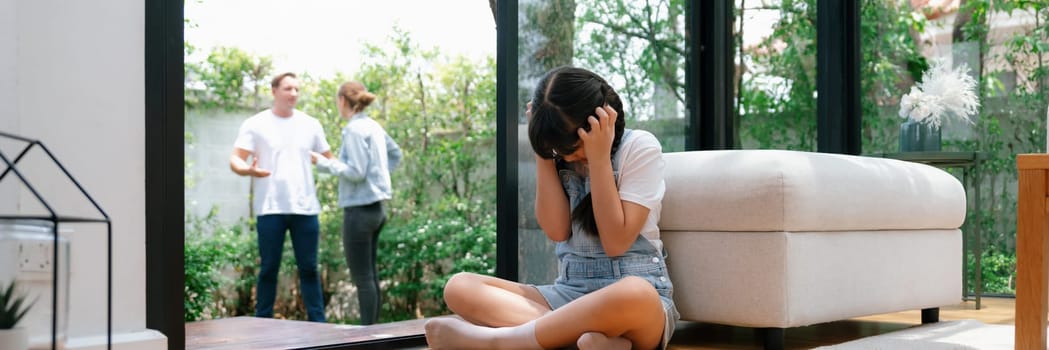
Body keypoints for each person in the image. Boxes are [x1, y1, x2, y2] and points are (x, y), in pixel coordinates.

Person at [424, 66, 677, 350]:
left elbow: (616, 242)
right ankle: (594, 343)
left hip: (632, 302)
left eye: (571, 147)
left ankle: (500, 342)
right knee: (460, 287)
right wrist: (543, 152)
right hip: (568, 294)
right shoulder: (558, 155)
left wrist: (598, 159)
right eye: (560, 150)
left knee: (635, 294)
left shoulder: (639, 147)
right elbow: (557, 230)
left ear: (598, 121)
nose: (567, 156)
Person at [229, 72, 332, 322]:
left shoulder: (311, 124)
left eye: (297, 89)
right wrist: (248, 170)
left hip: (306, 208)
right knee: (268, 269)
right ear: (274, 91)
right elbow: (235, 159)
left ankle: (319, 325)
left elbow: (328, 160)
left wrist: (318, 161)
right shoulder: (256, 124)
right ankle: (262, 322)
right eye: (288, 89)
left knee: (309, 269)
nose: (294, 94)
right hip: (270, 207)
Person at [311, 81, 402, 325]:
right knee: (370, 276)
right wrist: (378, 178)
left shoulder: (353, 129)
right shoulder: (374, 126)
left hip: (359, 213)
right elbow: (396, 155)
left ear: (342, 100)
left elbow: (356, 171)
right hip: (377, 210)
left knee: (362, 278)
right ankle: (373, 333)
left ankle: (367, 336)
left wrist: (322, 162)